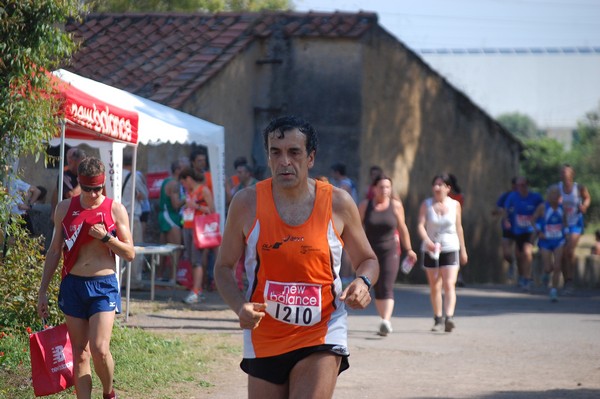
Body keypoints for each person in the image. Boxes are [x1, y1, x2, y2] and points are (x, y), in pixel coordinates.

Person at [214, 115, 379, 398]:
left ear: (310, 157)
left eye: (294, 152)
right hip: (265, 334)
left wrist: (363, 282)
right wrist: (239, 306)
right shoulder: (246, 203)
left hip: (322, 331)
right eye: (275, 153)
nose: (284, 161)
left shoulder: (338, 202)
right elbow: (223, 267)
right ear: (267, 157)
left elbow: (369, 259)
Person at [37, 157, 135, 399]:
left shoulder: (115, 209)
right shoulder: (64, 208)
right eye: (88, 189)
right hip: (73, 285)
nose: (93, 194)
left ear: (104, 185)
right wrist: (43, 291)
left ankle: (108, 392)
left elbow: (130, 253)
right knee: (80, 353)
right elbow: (54, 251)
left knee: (100, 348)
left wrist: (107, 239)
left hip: (103, 285)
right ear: (79, 183)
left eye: (98, 189)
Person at [358, 174, 417, 336]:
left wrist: (409, 249)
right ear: (374, 189)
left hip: (390, 250)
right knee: (377, 286)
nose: (384, 190)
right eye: (381, 187)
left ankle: (385, 320)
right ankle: (383, 318)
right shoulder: (365, 205)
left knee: (387, 285)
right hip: (370, 252)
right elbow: (357, 228)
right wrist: (355, 249)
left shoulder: (396, 206)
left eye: (387, 187)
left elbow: (403, 228)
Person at [417, 174, 468, 333]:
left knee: (449, 283)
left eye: (441, 185)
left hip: (451, 246)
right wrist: (427, 241)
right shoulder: (426, 204)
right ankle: (437, 318)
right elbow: (420, 225)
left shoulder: (455, 205)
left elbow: (459, 227)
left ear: (448, 188)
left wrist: (463, 250)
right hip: (431, 249)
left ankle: (449, 317)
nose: (438, 187)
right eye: (435, 184)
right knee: (435, 285)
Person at [179, 166, 215, 304]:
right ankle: (197, 289)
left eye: (183, 182)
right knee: (192, 260)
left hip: (198, 229)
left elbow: (212, 210)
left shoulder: (203, 190)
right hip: (187, 226)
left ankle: (196, 291)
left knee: (197, 260)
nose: (183, 185)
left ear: (188, 179)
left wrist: (196, 206)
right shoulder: (190, 191)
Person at [502, 176, 544, 291]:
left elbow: (543, 208)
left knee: (527, 252)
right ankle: (521, 276)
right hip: (517, 230)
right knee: (519, 255)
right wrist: (506, 220)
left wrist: (540, 224)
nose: (520, 187)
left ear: (527, 185)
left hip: (530, 230)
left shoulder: (535, 197)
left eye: (523, 185)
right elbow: (506, 209)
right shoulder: (512, 196)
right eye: (518, 185)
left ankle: (527, 278)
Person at [558, 164, 591, 295]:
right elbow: (549, 201)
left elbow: (587, 198)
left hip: (576, 223)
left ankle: (570, 280)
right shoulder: (557, 189)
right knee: (561, 255)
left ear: (572, 175)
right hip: (561, 225)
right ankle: (566, 280)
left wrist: (585, 206)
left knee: (569, 250)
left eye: (567, 174)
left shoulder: (579, 188)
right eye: (562, 174)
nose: (564, 176)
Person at [532, 185, 566, 302]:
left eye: (557, 194)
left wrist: (565, 233)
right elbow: (533, 220)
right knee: (548, 267)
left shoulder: (563, 208)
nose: (555, 196)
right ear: (548, 196)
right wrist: (538, 231)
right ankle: (546, 274)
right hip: (545, 240)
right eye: (552, 194)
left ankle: (554, 291)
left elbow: (565, 223)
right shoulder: (543, 207)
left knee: (557, 266)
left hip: (558, 240)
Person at [122, 152, 149, 288]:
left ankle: (120, 279)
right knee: (135, 249)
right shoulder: (134, 177)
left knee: (119, 248)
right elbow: (144, 195)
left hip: (118, 215)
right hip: (132, 216)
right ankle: (133, 281)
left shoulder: (115, 174)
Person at [492, 177, 517, 283]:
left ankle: (523, 277)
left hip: (523, 229)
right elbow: (495, 210)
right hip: (508, 228)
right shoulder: (506, 196)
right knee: (506, 253)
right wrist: (499, 211)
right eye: (516, 185)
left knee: (523, 253)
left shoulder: (528, 197)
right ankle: (512, 264)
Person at [50, 147, 86, 220]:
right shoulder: (65, 176)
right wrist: (82, 182)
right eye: (81, 164)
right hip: (66, 217)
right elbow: (71, 196)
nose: (83, 167)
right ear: (74, 162)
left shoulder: (81, 175)